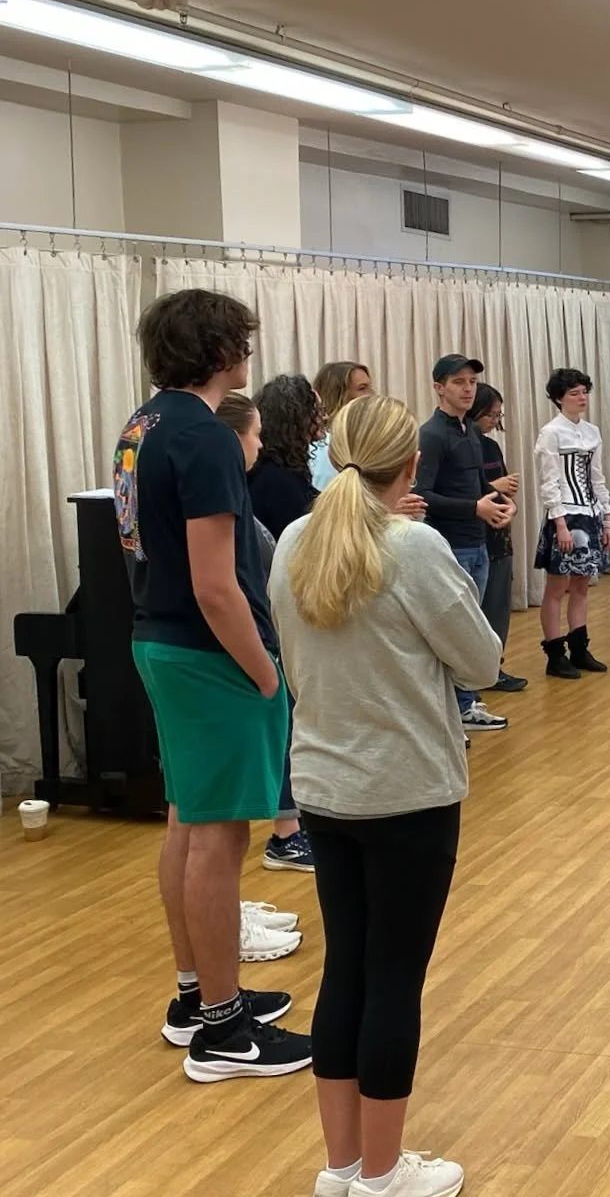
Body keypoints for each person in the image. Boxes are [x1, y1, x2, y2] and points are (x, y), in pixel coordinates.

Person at [271, 394, 502, 1197]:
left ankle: (341, 1167)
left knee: (348, 974)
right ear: (410, 466)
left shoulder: (293, 542)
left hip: (326, 789)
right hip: (409, 793)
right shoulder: (417, 548)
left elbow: (296, 664)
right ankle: (381, 1173)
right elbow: (481, 662)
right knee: (394, 980)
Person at [112, 288, 310, 1082]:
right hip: (207, 653)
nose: (250, 354)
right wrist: (268, 676)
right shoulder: (206, 437)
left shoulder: (143, 423)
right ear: (222, 349)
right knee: (220, 838)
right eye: (244, 342)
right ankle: (225, 1033)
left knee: (188, 823)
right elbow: (216, 583)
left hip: (159, 641)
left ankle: (198, 997)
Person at [213, 392, 313, 948]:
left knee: (212, 819)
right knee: (213, 820)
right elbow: (221, 591)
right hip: (234, 662)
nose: (259, 444)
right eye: (253, 434)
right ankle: (223, 924)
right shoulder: (223, 503)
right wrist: (267, 670)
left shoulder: (237, 498)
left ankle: (227, 908)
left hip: (250, 651)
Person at [414, 354, 514, 733]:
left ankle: (465, 704)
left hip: (478, 545)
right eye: (459, 381)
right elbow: (423, 494)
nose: (468, 388)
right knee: (452, 631)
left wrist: (502, 503)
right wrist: (475, 506)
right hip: (450, 544)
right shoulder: (433, 434)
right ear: (440, 387)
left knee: (473, 626)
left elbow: (477, 488)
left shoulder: (469, 431)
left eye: (471, 381)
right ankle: (454, 708)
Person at [534, 367, 610, 678]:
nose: (582, 398)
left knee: (582, 584)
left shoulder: (592, 431)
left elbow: (597, 477)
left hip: (590, 512)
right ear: (559, 398)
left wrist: (607, 517)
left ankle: (579, 648)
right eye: (574, 393)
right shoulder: (551, 432)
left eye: (584, 392)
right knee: (557, 587)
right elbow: (549, 482)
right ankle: (555, 654)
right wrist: (561, 524)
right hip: (565, 514)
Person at [467, 383, 527, 694]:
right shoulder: (462, 444)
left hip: (498, 534)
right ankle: (471, 674)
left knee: (498, 605)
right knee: (473, 608)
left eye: (497, 414)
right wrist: (495, 485)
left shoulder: (491, 447)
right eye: (490, 414)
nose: (494, 420)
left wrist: (509, 502)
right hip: (472, 535)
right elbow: (458, 490)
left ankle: (494, 666)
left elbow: (499, 491)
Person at [249, 374, 323, 542]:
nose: (322, 417)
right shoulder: (277, 478)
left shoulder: (278, 468)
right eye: (315, 411)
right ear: (297, 418)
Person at [309, 361, 373, 490]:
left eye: (370, 387)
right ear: (338, 395)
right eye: (362, 388)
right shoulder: (322, 447)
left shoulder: (365, 439)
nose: (371, 395)